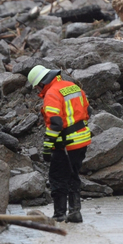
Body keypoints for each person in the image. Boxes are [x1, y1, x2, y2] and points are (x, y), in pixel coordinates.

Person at [27, 65, 92, 223]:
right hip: (82, 139)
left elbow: (55, 124)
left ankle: (59, 214)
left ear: (42, 82)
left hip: (65, 143)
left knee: (57, 177)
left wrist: (48, 148)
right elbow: (88, 110)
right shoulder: (71, 86)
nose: (37, 90)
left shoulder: (51, 93)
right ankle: (75, 212)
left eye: (36, 86)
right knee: (73, 175)